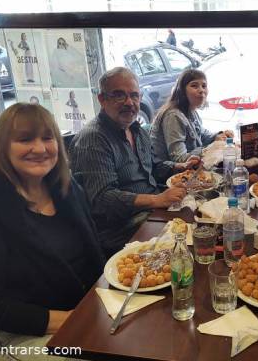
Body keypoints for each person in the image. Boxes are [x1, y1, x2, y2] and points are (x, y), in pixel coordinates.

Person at [0, 104, 104, 360]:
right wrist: (77, 320)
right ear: (2, 146)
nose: (40, 148)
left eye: (48, 138)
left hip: (83, 309)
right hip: (19, 334)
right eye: (25, 139)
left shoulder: (67, 188)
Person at [69, 67, 197, 258]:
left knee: (202, 225)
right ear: (102, 100)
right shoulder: (93, 139)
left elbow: (153, 167)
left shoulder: (137, 130)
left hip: (152, 213)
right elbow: (103, 199)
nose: (130, 102)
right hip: (122, 230)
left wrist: (180, 167)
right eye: (119, 96)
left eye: (134, 96)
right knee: (191, 247)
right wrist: (157, 200)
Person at [151, 68, 233, 165]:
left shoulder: (191, 110)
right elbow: (179, 158)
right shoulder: (173, 116)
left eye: (204, 86)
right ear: (182, 91)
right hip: (170, 175)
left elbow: (201, 134)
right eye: (194, 86)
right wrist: (208, 149)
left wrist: (218, 136)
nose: (201, 90)